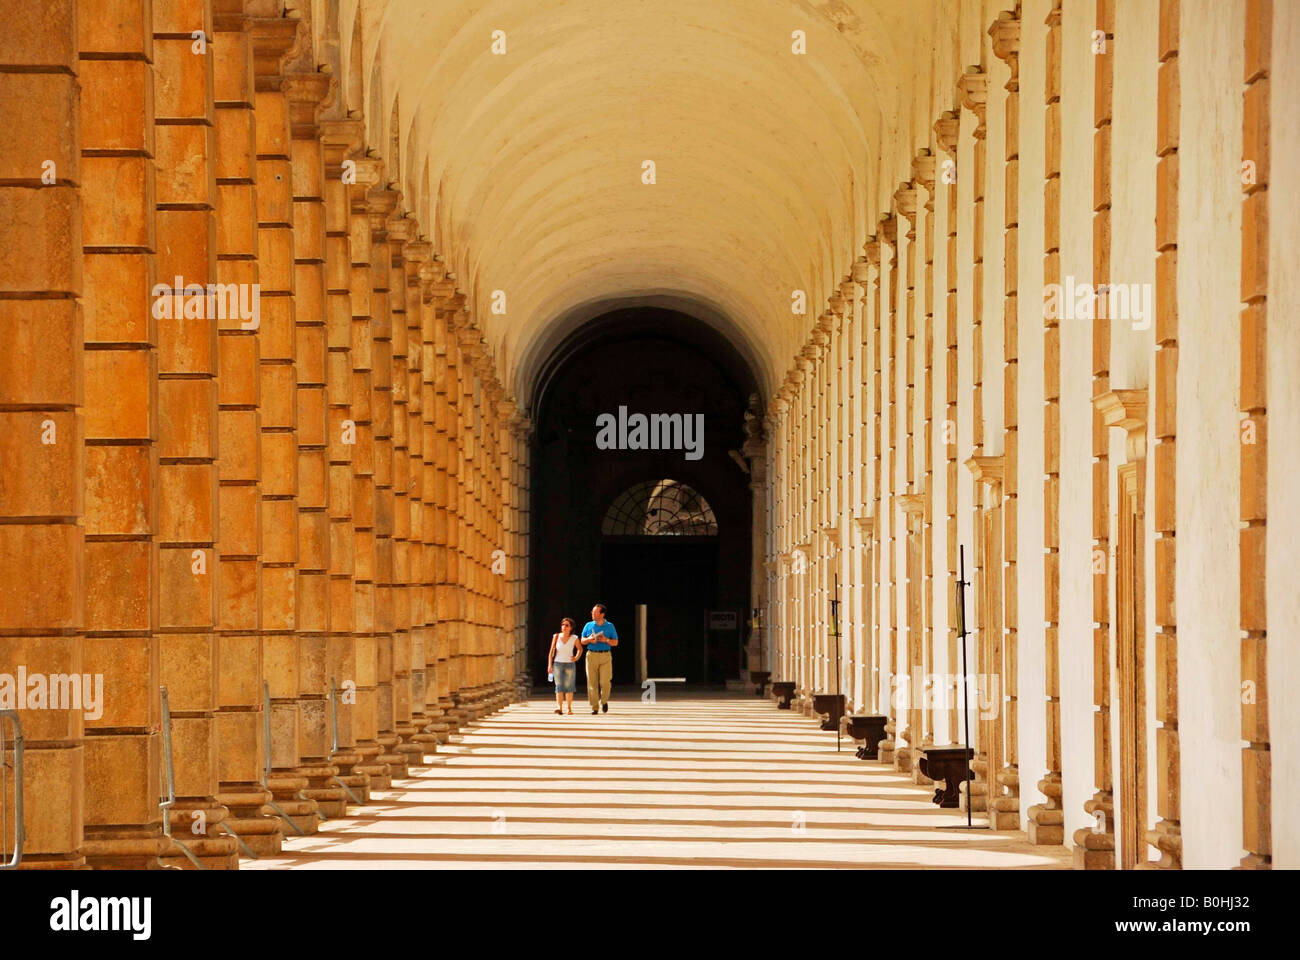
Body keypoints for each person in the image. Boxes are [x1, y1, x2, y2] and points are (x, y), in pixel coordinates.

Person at [580, 603, 618, 714]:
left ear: (602, 614)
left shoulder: (610, 626)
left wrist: (606, 640)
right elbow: (582, 640)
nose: (592, 614)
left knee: (605, 682)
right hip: (591, 655)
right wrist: (589, 639)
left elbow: (615, 642)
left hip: (605, 655)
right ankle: (594, 707)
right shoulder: (588, 625)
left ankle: (604, 701)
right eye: (592, 612)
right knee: (592, 682)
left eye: (595, 612)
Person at [548, 618, 582, 714]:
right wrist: (549, 665)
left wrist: (576, 657)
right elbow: (551, 652)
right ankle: (559, 707)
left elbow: (580, 649)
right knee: (558, 686)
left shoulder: (574, 638)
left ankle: (569, 708)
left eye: (567, 625)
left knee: (569, 686)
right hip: (558, 663)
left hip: (569, 664)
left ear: (571, 627)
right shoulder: (556, 636)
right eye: (563, 625)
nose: (564, 627)